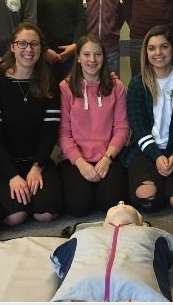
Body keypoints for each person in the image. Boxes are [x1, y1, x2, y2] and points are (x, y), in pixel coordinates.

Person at [0, 22, 62, 227]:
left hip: (36, 161)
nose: (28, 49)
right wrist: (13, 176)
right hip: (1, 163)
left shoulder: (49, 83)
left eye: (34, 44)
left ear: (41, 49)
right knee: (16, 216)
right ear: (12, 47)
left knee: (46, 213)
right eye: (22, 43)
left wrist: (37, 167)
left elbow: (50, 132)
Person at [124, 25, 173, 214]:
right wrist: (157, 156)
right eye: (152, 48)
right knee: (147, 201)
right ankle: (162, 185)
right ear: (146, 53)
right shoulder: (137, 84)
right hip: (146, 151)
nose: (158, 52)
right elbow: (138, 128)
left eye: (164, 47)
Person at [58, 35, 129, 217]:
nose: (92, 59)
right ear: (78, 58)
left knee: (110, 205)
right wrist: (81, 163)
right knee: (78, 207)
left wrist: (107, 158)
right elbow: (63, 134)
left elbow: (121, 128)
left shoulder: (116, 87)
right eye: (86, 54)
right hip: (76, 159)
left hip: (108, 156)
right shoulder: (65, 88)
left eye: (98, 54)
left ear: (104, 57)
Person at [50, 201, 173, 302]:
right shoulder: (84, 233)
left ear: (139, 222)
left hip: (141, 290)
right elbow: (60, 257)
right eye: (116, 206)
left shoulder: (152, 234)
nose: (121, 203)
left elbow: (165, 257)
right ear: (105, 222)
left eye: (128, 207)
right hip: (80, 290)